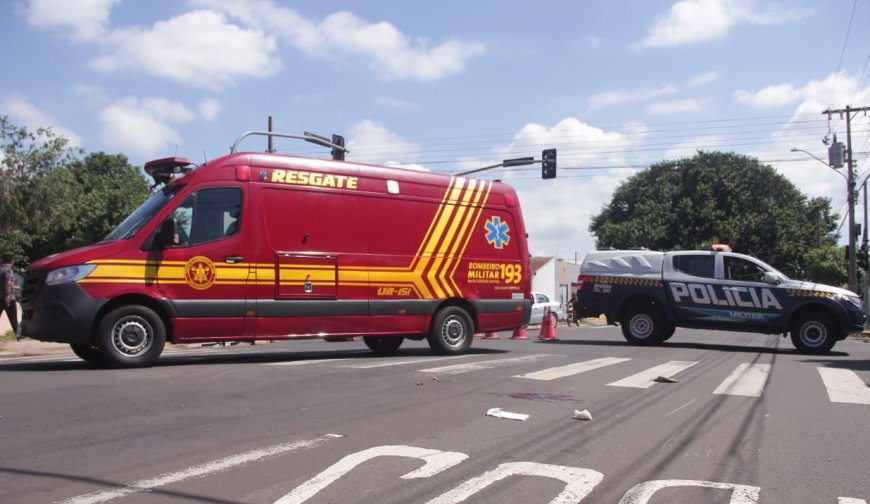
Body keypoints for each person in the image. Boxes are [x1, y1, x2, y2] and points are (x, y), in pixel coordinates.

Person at [0, 254, 20, 340]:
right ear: (12, 261)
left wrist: (14, 287)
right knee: (14, 319)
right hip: (9, 298)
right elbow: (7, 282)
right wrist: (8, 295)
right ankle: (19, 335)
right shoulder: (8, 270)